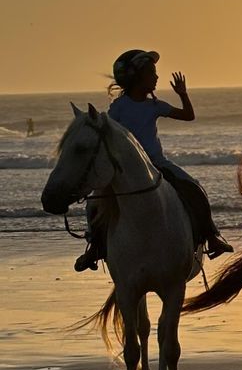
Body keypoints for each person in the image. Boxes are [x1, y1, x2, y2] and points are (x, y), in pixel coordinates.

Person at [74, 49, 232, 272]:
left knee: (194, 188)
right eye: (151, 72)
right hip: (126, 168)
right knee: (95, 202)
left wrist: (183, 93)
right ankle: (95, 247)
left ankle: (211, 236)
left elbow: (189, 115)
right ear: (136, 77)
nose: (156, 77)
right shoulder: (119, 108)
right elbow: (108, 134)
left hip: (157, 164)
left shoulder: (154, 106)